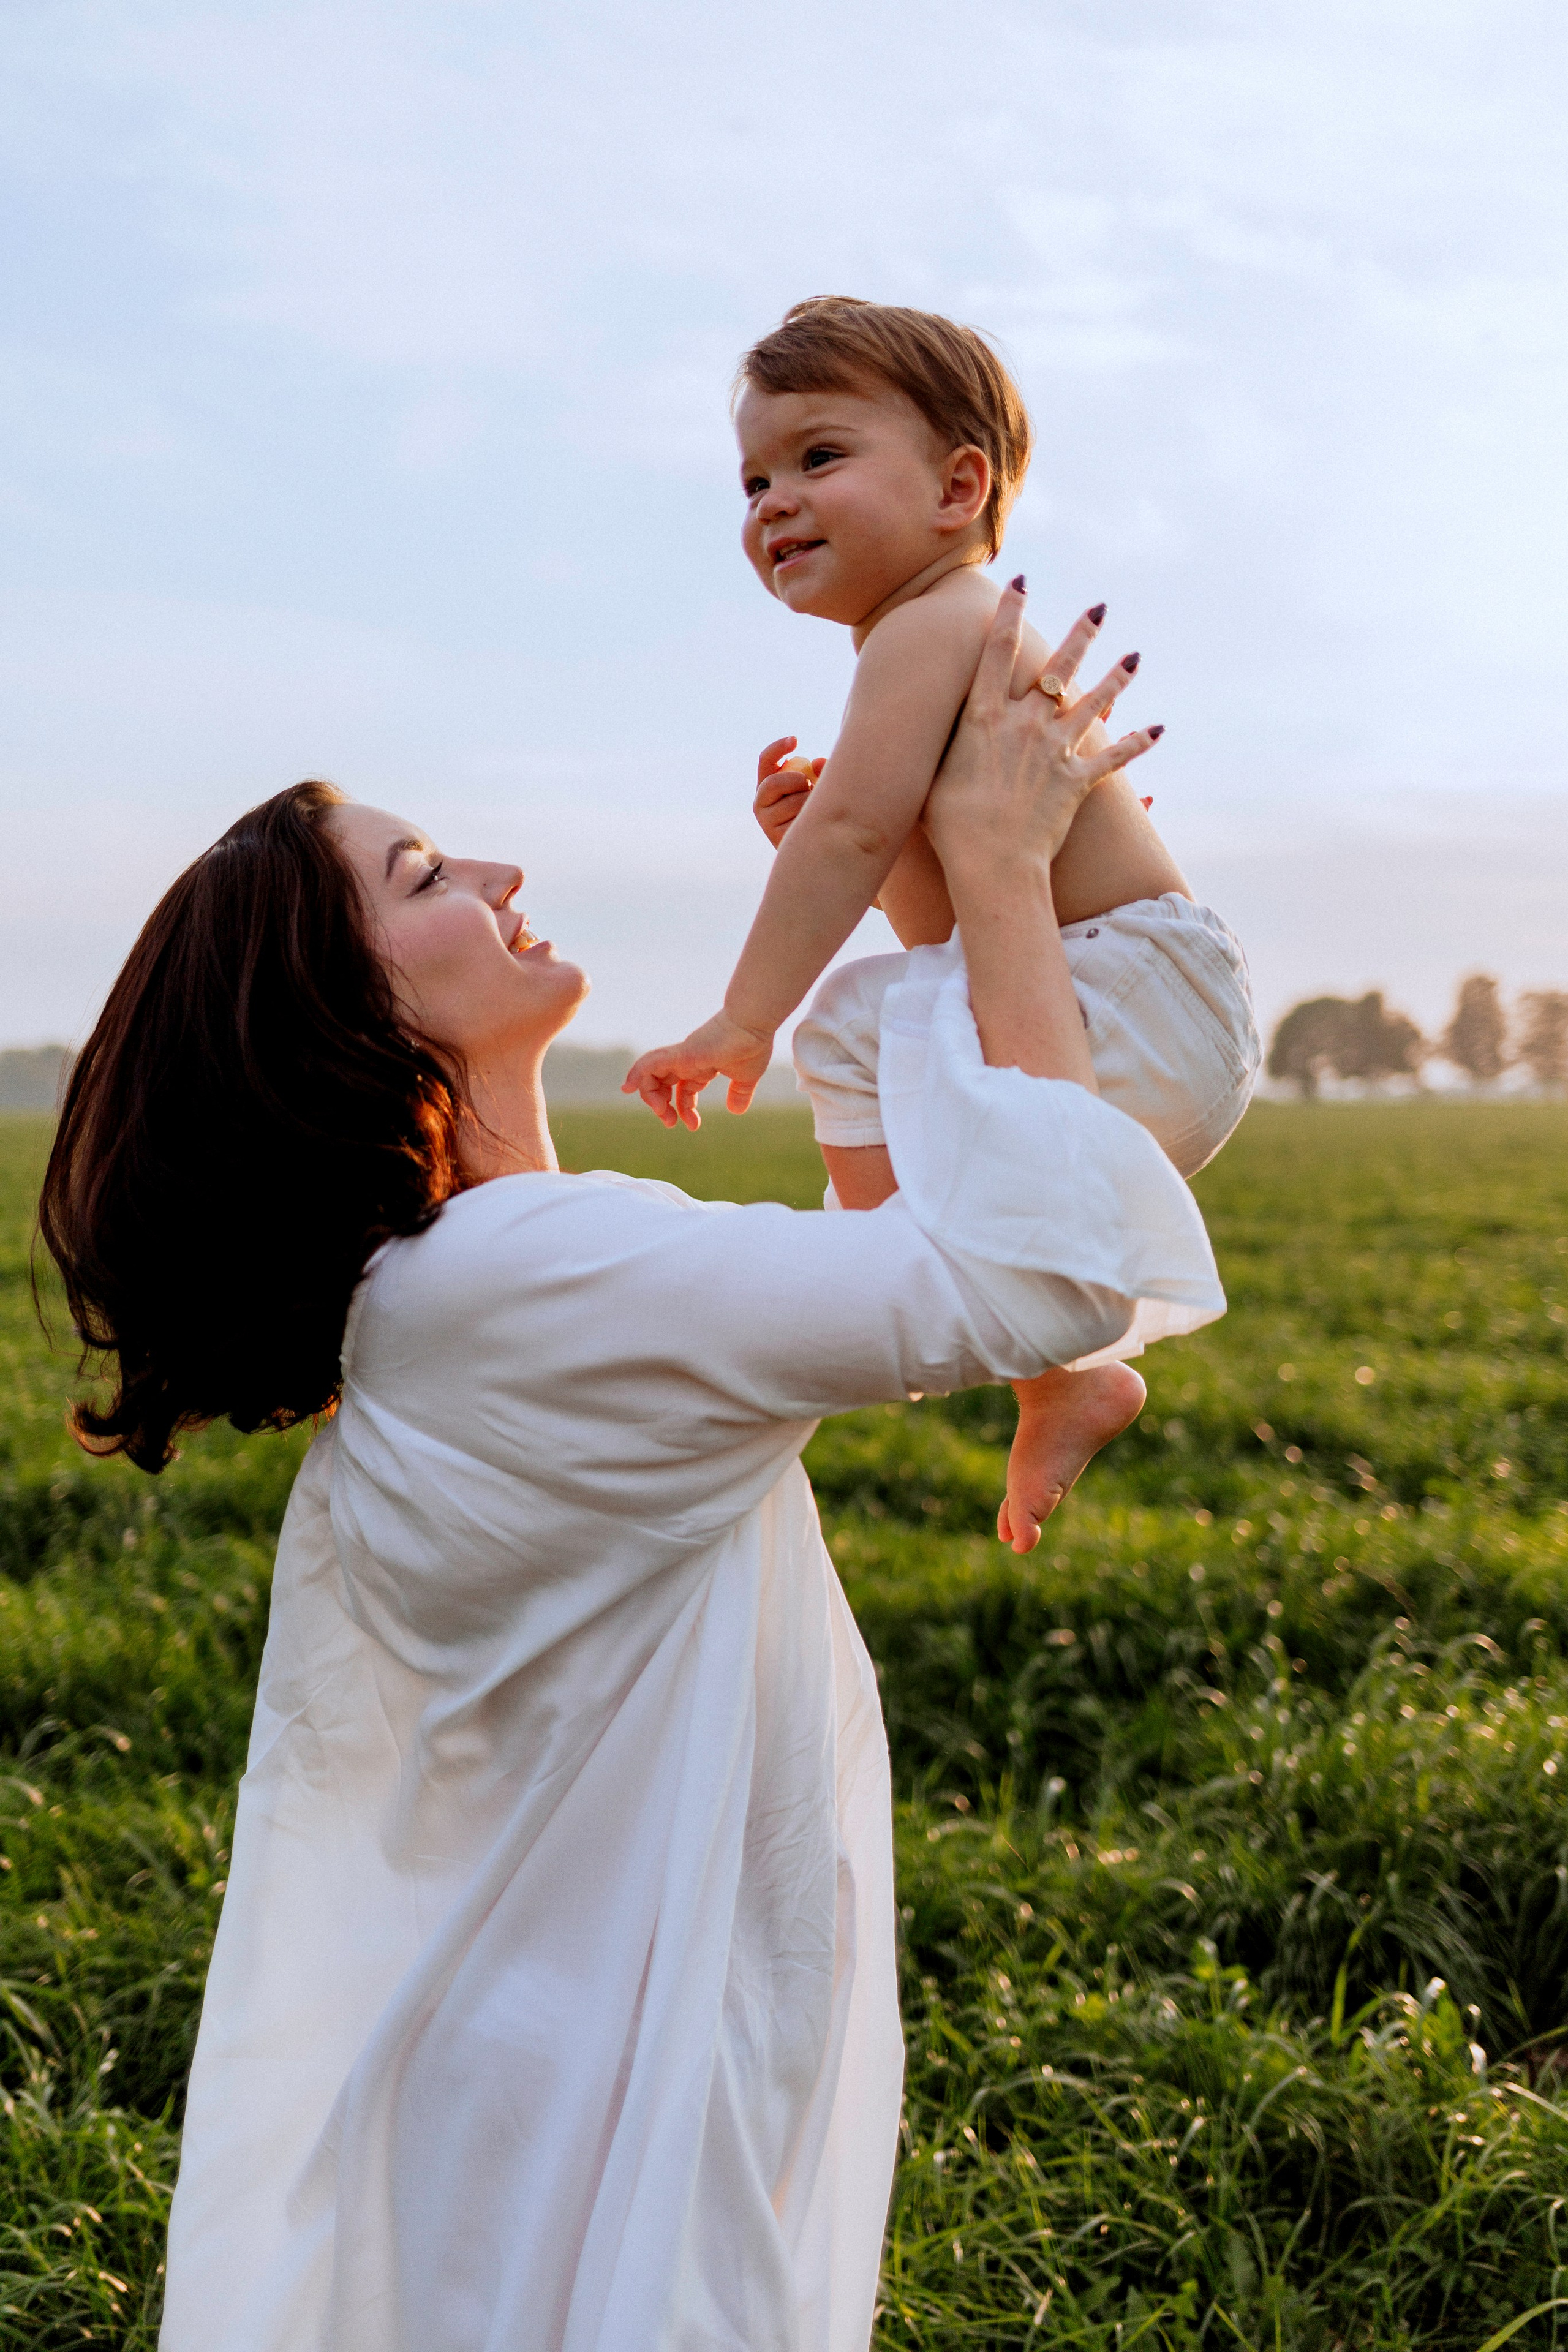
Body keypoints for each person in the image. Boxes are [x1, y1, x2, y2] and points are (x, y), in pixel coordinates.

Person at [41, 589, 1223, 2352]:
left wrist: (918, 876)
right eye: (428, 877)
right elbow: (1040, 1278)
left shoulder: (460, 1291)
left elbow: (858, 1274)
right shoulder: (524, 1281)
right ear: (343, 1012)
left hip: (542, 2073)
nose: (501, 874)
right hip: (614, 2120)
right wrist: (989, 864)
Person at [625, 296, 1259, 1552]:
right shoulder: (934, 639)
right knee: (876, 1023)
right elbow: (943, 926)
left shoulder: (933, 620)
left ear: (957, 487)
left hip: (1127, 991)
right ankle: (1050, 1374)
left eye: (817, 457)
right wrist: (863, 853)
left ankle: (888, 1277)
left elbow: (850, 833)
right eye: (751, 478)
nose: (770, 502)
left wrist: (741, 1018)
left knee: (838, 1029)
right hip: (1138, 1007)